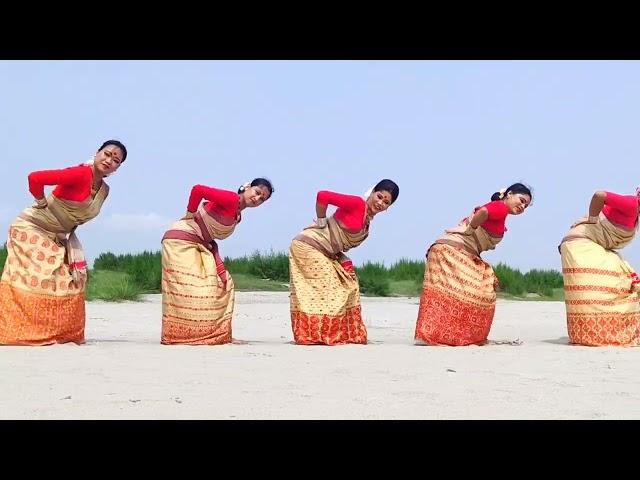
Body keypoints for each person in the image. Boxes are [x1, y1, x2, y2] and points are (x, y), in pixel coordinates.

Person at [0, 140, 127, 345]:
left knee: (69, 283)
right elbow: (35, 178)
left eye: (116, 160)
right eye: (107, 153)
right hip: (32, 227)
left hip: (58, 236)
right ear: (97, 153)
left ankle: (50, 332)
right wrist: (41, 201)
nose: (109, 160)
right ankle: (17, 331)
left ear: (118, 168)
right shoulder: (80, 174)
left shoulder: (104, 190)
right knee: (37, 280)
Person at [414, 183, 532, 346]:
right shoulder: (500, 208)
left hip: (444, 249)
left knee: (450, 295)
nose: (523, 206)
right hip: (452, 251)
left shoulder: (500, 211)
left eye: (526, 205)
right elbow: (483, 212)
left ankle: (436, 335)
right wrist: (471, 228)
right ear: (509, 194)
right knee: (480, 295)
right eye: (521, 200)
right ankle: (451, 336)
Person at [161, 178, 274, 345]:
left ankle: (206, 333)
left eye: (262, 199)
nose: (257, 199)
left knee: (222, 284)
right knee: (194, 290)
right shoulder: (231, 199)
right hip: (181, 241)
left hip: (198, 245)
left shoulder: (238, 214)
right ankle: (183, 335)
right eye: (257, 192)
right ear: (248, 187)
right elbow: (198, 189)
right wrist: (190, 213)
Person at [289, 179, 400, 345]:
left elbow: (337, 242)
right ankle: (316, 334)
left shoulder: (367, 221)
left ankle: (327, 333)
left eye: (386, 202)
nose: (380, 203)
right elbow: (322, 196)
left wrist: (344, 260)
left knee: (350, 285)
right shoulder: (357, 204)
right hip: (308, 246)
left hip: (325, 252)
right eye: (379, 196)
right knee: (334, 289)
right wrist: (321, 220)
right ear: (372, 192)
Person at [559, 188, 640, 346]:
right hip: (581, 244)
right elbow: (599, 195)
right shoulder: (632, 204)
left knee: (626, 279)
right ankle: (599, 334)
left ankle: (595, 332)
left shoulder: (635, 214)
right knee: (618, 285)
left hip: (590, 245)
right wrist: (592, 219)